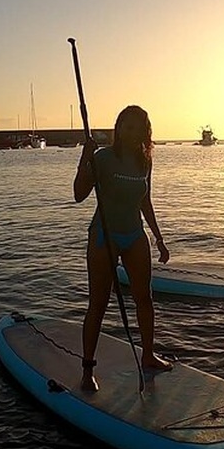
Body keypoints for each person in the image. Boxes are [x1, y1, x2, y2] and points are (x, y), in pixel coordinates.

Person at [73, 105, 171, 392]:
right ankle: (87, 369)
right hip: (104, 236)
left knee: (145, 299)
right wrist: (84, 159)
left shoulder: (145, 161)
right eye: (126, 127)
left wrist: (159, 238)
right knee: (98, 304)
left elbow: (145, 201)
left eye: (138, 128)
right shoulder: (103, 158)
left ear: (145, 132)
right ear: (118, 128)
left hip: (134, 235)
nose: (132, 133)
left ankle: (148, 355)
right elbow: (79, 195)